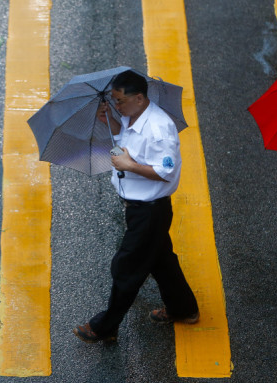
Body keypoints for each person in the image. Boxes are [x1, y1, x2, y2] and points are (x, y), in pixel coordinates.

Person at [73, 70, 199, 342]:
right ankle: (183, 308)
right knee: (161, 261)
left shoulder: (159, 129)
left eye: (120, 101)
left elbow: (165, 171)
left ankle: (104, 326)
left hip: (149, 211)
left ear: (139, 98)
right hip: (140, 208)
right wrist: (113, 125)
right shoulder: (132, 117)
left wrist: (129, 166)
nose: (117, 106)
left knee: (126, 268)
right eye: (115, 101)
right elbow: (129, 144)